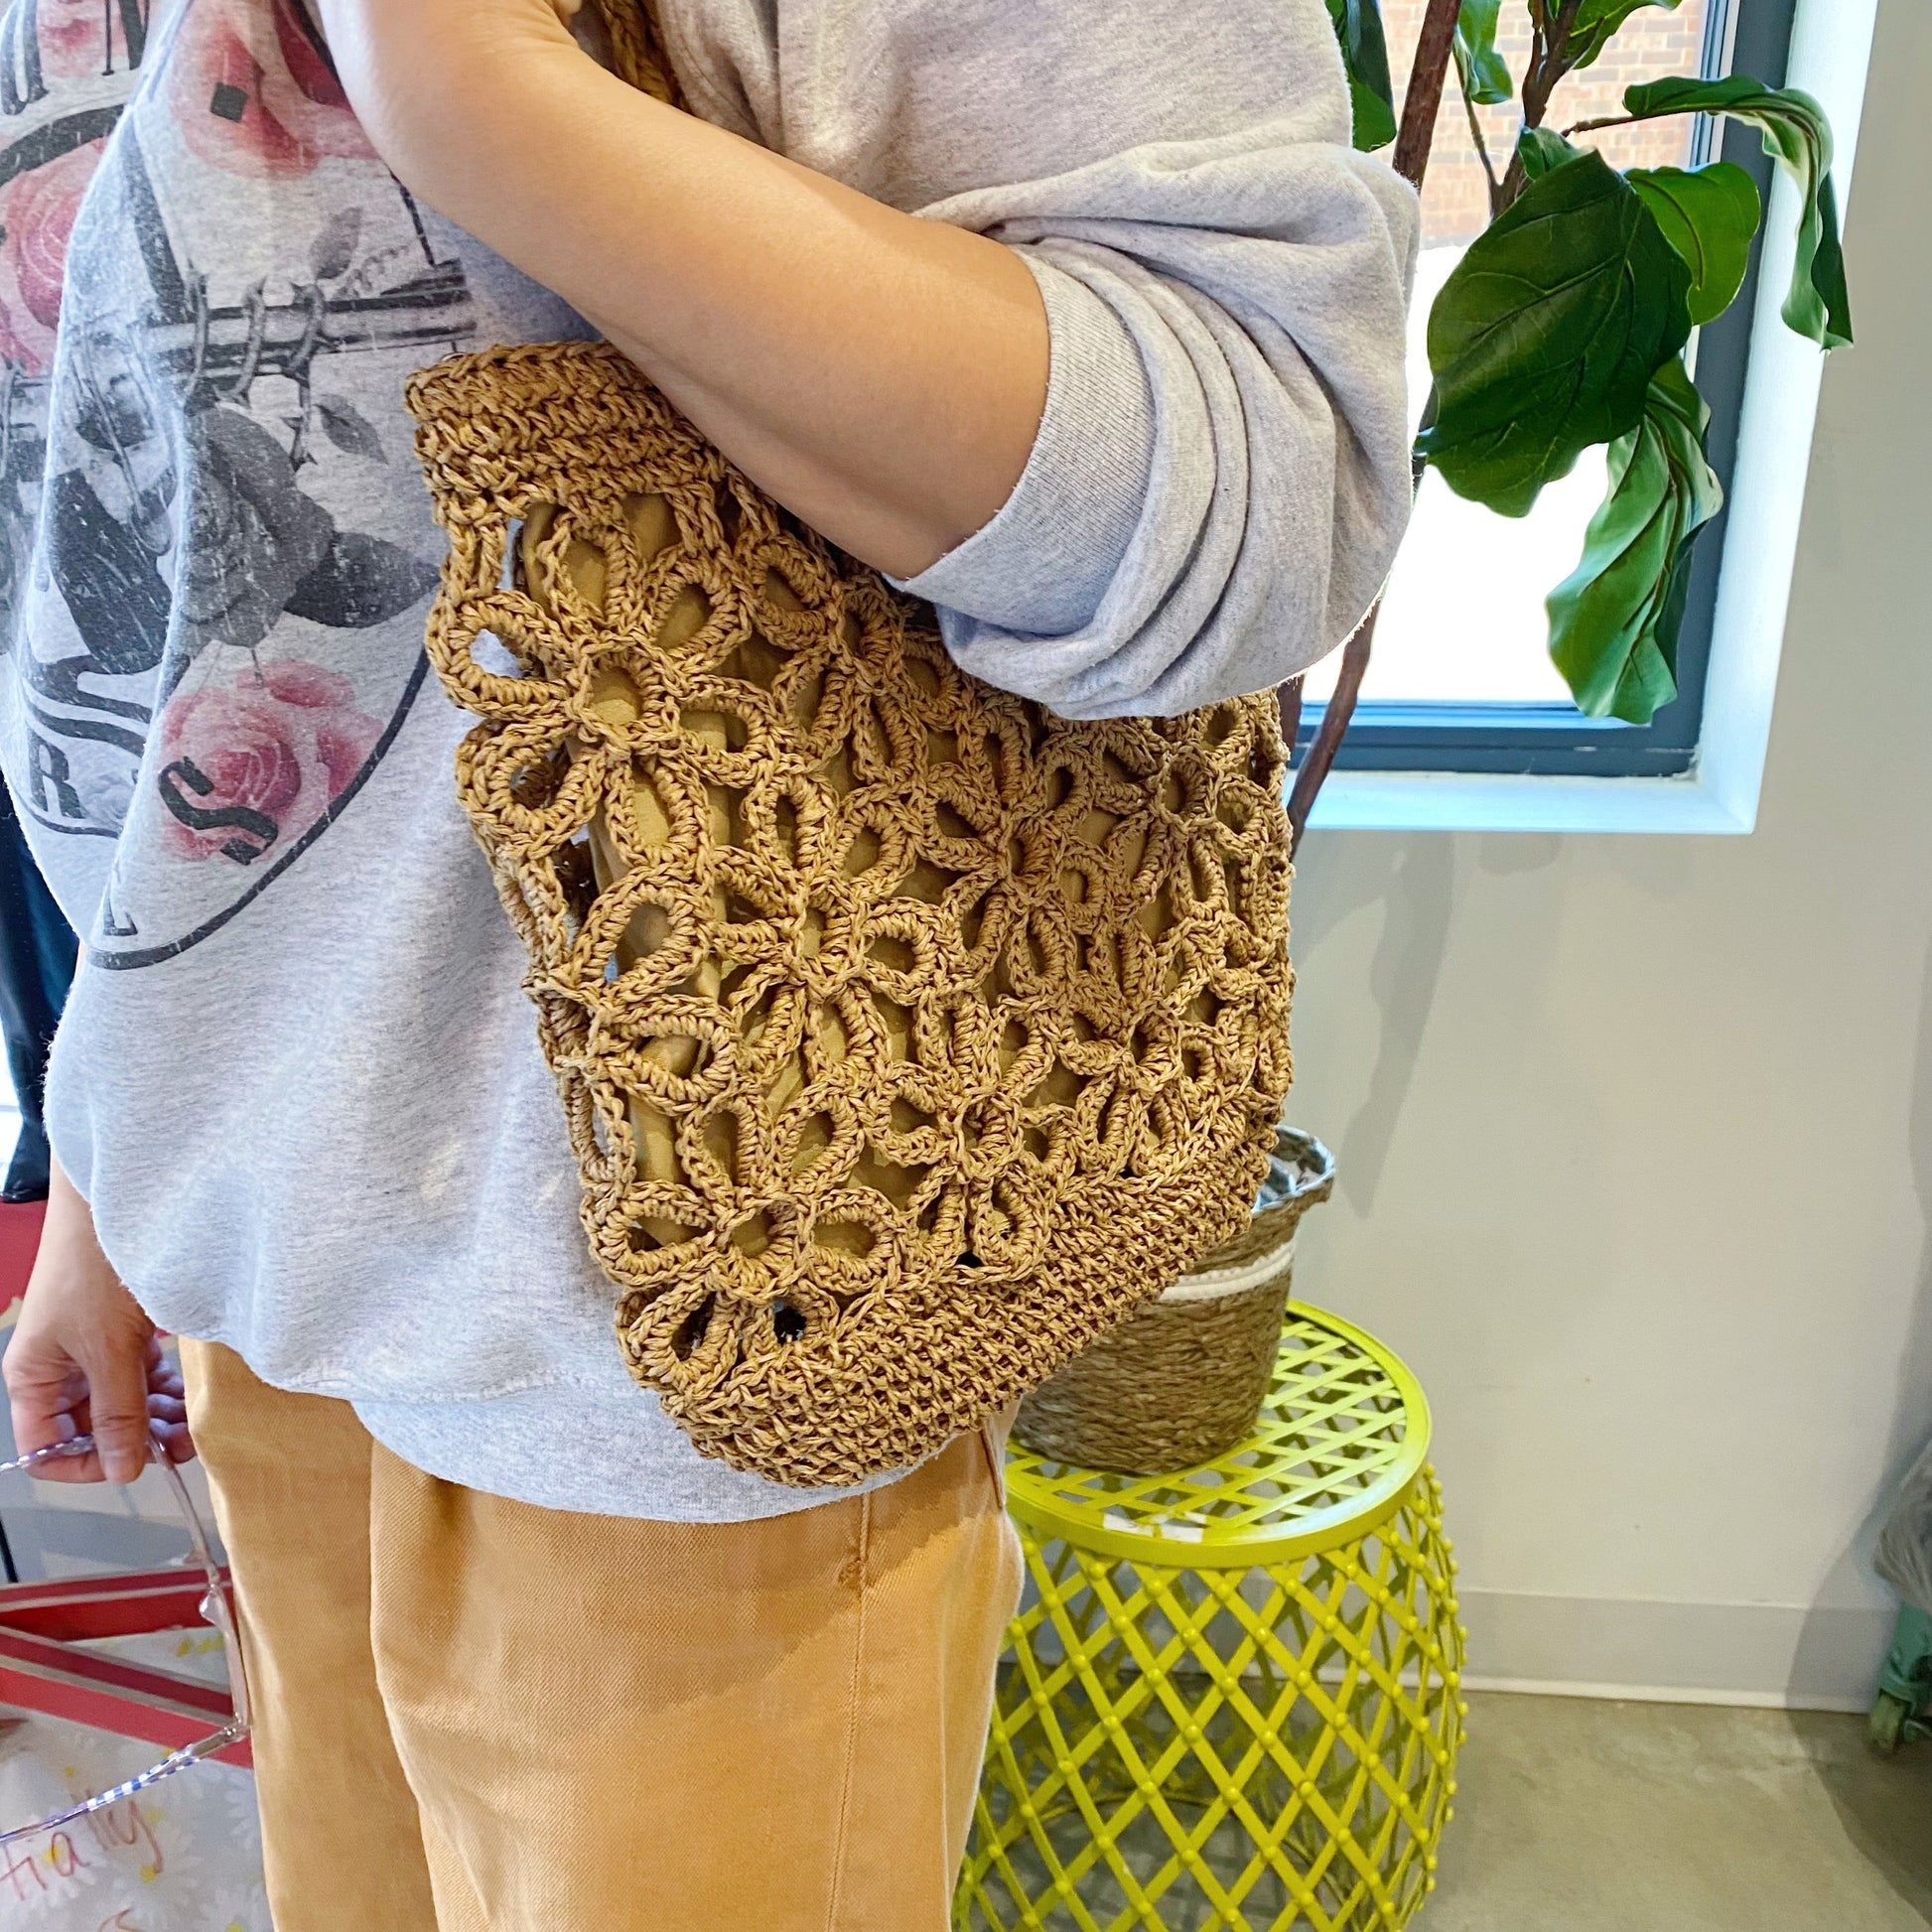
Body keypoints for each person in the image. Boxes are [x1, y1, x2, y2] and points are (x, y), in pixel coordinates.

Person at [0, 0, 1418, 1924]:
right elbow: (134, 542)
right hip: (270, 1304)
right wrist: (110, 1147)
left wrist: (479, 99)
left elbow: (1272, 473)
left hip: (690, 1368)